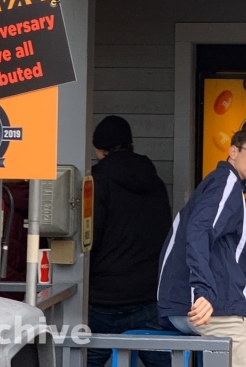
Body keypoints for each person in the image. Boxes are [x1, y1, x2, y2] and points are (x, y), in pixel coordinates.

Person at [157, 128, 246, 367]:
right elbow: (198, 231)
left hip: (183, 306)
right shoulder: (226, 182)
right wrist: (203, 291)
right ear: (233, 151)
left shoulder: (221, 182)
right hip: (205, 306)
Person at [87, 116, 173, 367]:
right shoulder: (155, 182)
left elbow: (91, 237)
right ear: (130, 144)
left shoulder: (96, 182)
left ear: (100, 149)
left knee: (84, 360)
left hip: (103, 298)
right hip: (149, 295)